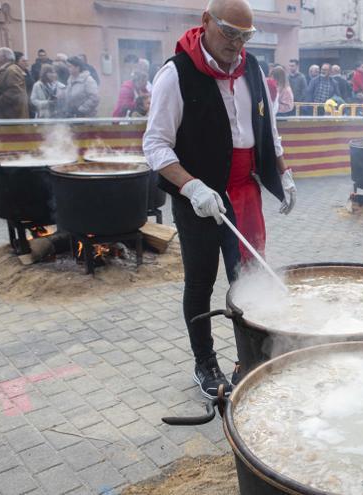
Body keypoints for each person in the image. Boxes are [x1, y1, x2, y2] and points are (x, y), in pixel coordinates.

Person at [142, 0, 296, 397]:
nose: (237, 44)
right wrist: (191, 186)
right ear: (206, 22)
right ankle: (204, 362)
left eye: (246, 36)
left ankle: (251, 359)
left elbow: (268, 130)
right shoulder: (176, 74)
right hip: (200, 195)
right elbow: (156, 145)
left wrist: (283, 171)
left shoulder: (254, 69)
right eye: (230, 33)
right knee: (201, 281)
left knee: (250, 281)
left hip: (244, 191)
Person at [0, 47, 29, 119]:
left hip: (11, 119)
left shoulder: (12, 70)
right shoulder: (7, 70)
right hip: (7, 117)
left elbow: (14, 93)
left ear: (3, 57)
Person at [14, 51, 36, 117]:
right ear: (16, 62)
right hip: (21, 105)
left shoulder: (27, 72)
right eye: (23, 61)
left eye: (26, 61)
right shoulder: (15, 74)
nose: (26, 63)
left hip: (30, 104)